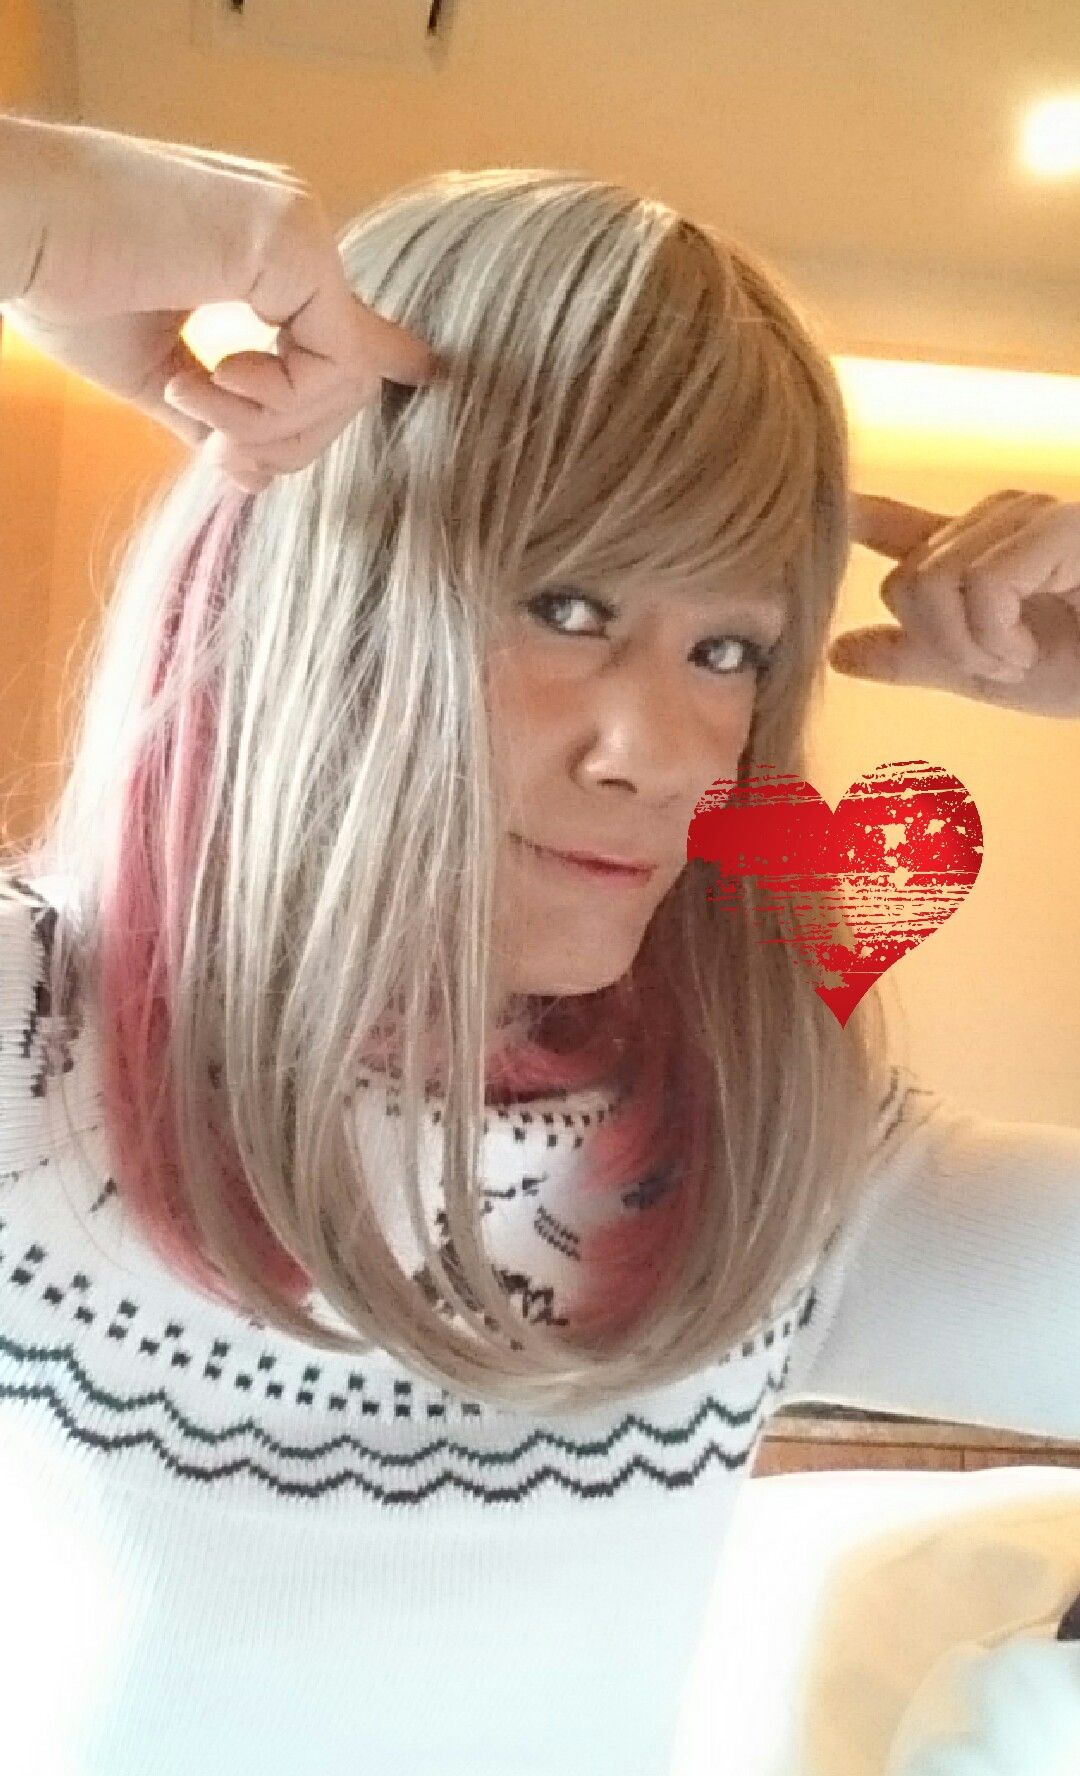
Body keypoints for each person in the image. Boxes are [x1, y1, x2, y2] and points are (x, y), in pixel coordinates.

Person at [1, 108, 1079, 1775]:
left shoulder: (773, 1172)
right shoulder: (30, 1051)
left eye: (729, 649)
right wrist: (26, 197)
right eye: (568, 607)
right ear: (311, 582)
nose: (664, 753)